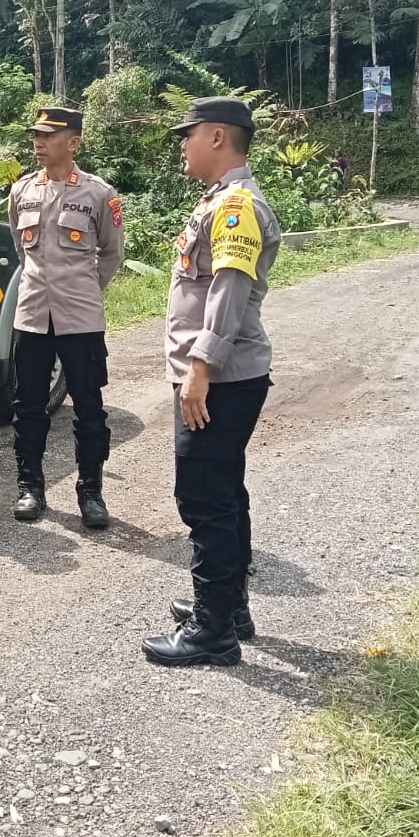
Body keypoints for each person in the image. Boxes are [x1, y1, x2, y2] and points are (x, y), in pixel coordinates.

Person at [142, 97, 281, 667]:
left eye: (189, 134)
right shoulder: (222, 202)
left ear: (218, 137)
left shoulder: (234, 208)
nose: (183, 143)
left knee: (204, 498)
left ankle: (212, 632)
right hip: (224, 376)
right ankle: (230, 607)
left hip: (218, 379)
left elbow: (226, 289)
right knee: (225, 492)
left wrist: (200, 369)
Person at [6, 107, 125, 527]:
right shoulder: (20, 192)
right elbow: (23, 254)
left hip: (81, 319)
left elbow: (111, 254)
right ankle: (30, 487)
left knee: (89, 408)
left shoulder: (99, 194)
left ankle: (90, 492)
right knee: (28, 406)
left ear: (73, 142)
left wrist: (82, 289)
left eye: (48, 135)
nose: (38, 142)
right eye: (36, 135)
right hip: (33, 315)